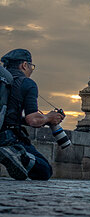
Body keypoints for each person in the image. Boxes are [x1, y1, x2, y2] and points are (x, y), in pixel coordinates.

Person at [0, 49, 64, 180]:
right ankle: (16, 153)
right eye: (31, 66)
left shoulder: (3, 81)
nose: (31, 70)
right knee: (45, 171)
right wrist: (49, 117)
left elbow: (7, 115)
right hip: (7, 137)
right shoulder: (27, 83)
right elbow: (33, 120)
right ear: (24, 65)